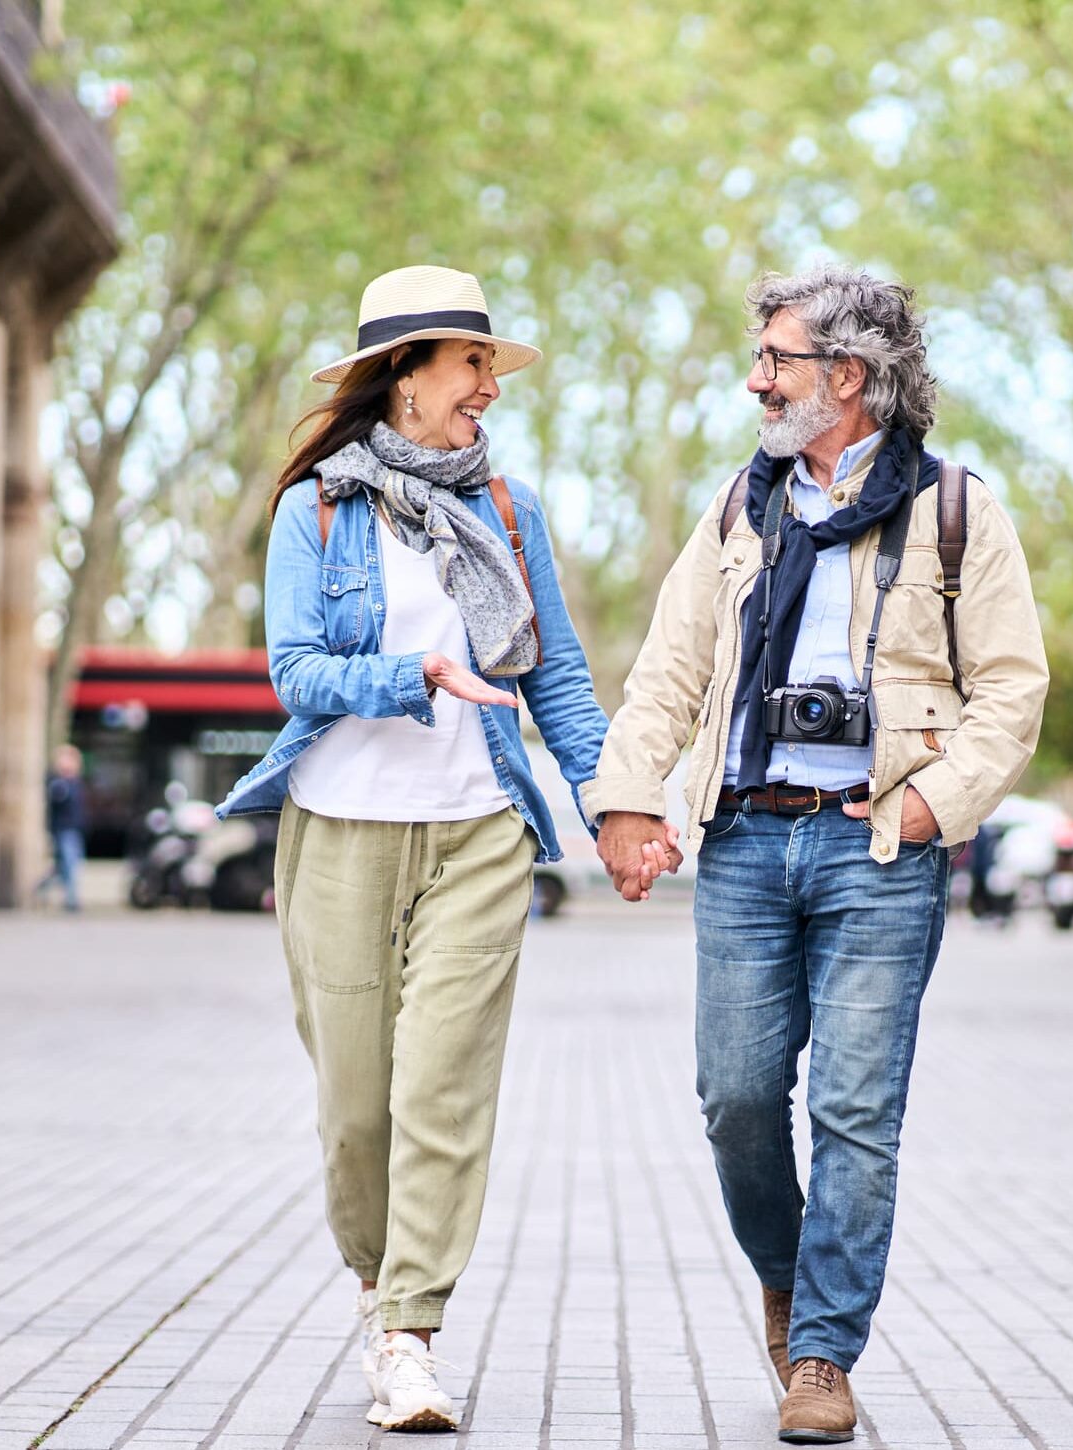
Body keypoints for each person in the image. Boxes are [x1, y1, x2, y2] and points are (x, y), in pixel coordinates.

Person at [583, 265, 1049, 1444]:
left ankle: (823, 1352)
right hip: (745, 835)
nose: (756, 381)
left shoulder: (954, 511)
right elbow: (669, 674)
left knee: (855, 1108)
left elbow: (1009, 690)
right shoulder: (743, 507)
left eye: (776, 361)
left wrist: (934, 807)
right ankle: (787, 1280)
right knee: (736, 1096)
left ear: (847, 376)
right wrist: (628, 799)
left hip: (880, 848)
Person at [217, 265, 673, 1433]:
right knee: (357, 1112)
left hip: (478, 832)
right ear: (405, 376)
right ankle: (379, 1292)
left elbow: (557, 676)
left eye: (487, 367)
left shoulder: (509, 516)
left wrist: (616, 806)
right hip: (340, 836)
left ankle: (411, 1335)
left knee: (442, 1090)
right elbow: (297, 672)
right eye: (470, 366)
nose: (488, 390)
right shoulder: (318, 509)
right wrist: (410, 673)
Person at [36, 744, 86, 912]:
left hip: (75, 829)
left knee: (64, 866)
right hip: (64, 830)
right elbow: (57, 801)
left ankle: (40, 888)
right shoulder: (58, 783)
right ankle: (72, 900)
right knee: (69, 864)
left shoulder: (75, 782)